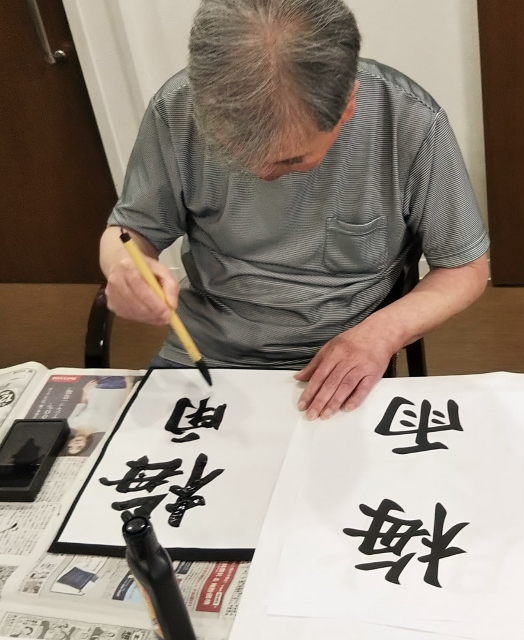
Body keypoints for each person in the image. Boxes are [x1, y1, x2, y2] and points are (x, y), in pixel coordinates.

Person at [100, 0, 490, 421]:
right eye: (234, 156)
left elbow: (466, 269)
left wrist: (382, 333)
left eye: (290, 160)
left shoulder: (409, 121)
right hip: (207, 350)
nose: (261, 174)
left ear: (348, 105)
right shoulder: (177, 109)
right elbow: (130, 231)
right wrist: (125, 267)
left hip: (345, 355)